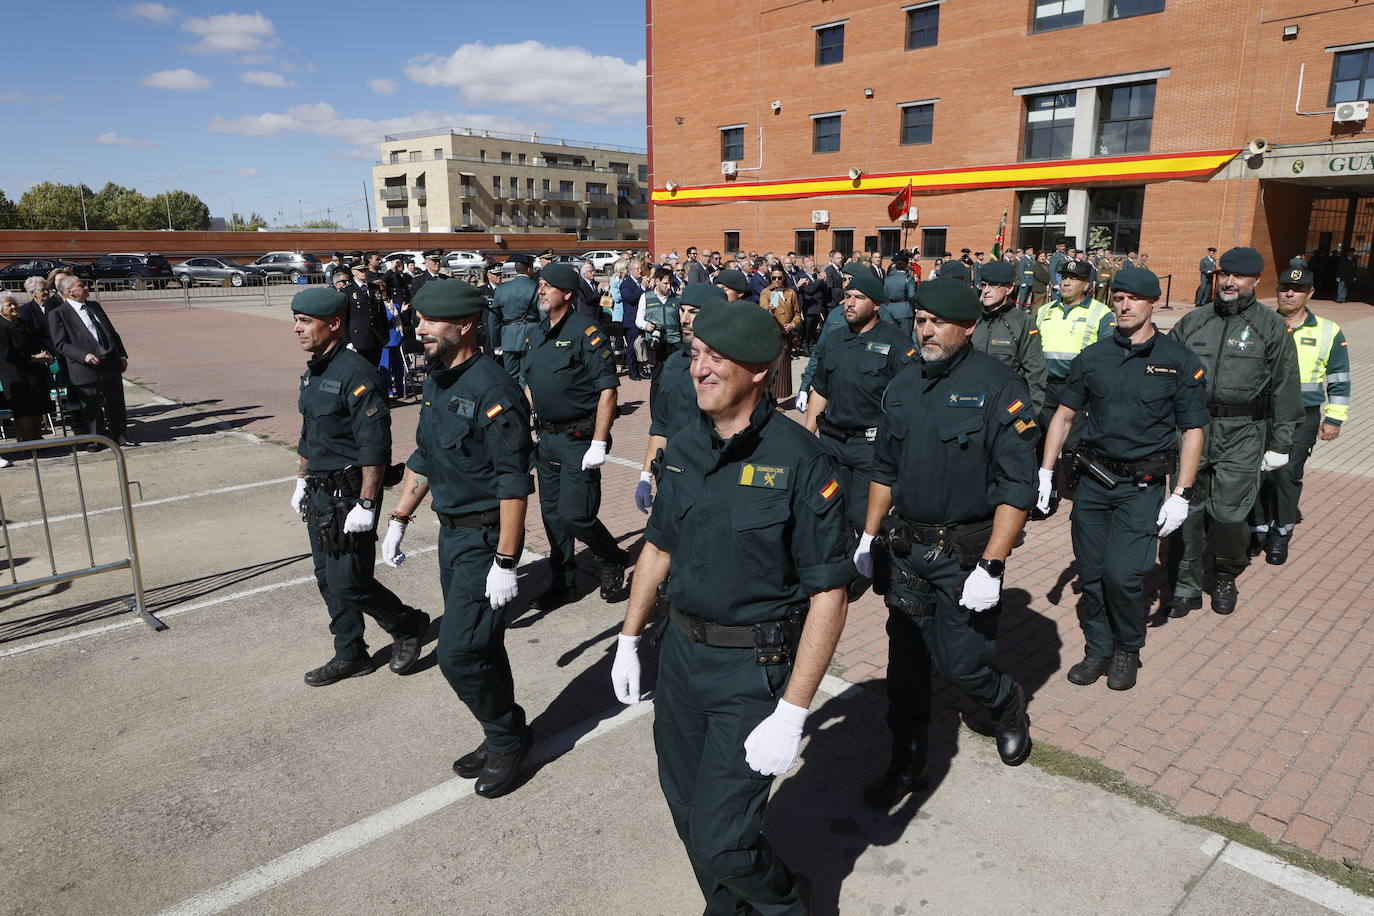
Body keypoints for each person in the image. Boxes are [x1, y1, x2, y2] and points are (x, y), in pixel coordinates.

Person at [610, 301, 851, 914]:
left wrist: (795, 711)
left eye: (717, 359)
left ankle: (786, 904)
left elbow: (829, 592)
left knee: (724, 840)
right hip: (682, 657)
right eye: (696, 355)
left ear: (759, 371)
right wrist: (629, 639)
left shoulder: (801, 461)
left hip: (754, 669)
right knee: (688, 810)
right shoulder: (686, 446)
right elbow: (658, 546)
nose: (700, 369)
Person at [854, 277, 1038, 808]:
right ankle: (907, 763)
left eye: (938, 322)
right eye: (920, 319)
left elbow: (1017, 485)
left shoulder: (999, 385)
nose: (926, 329)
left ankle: (1005, 705)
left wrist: (993, 565)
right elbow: (883, 469)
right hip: (908, 550)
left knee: (961, 664)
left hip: (965, 555)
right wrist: (868, 536)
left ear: (970, 327)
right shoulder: (903, 384)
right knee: (906, 666)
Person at [379, 280, 534, 798]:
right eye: (418, 319)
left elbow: (515, 483)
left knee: (459, 654)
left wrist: (507, 560)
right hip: (451, 536)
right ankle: (504, 731)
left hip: (486, 539)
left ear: (464, 326)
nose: (417, 328)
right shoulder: (439, 380)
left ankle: (508, 739)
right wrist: (399, 516)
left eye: (430, 322)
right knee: (482, 644)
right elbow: (425, 455)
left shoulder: (494, 391)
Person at [1037, 266, 1207, 690]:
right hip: (1093, 482)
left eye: (1134, 298)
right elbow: (1064, 414)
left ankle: (1128, 648)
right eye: (1118, 298)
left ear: (1152, 304)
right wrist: (1044, 472)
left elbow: (1192, 430)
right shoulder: (1094, 356)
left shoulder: (1177, 361)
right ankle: (1099, 648)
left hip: (1143, 487)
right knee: (1092, 576)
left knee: (1124, 575)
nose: (1124, 305)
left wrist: (1182, 493)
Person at [287, 286, 428, 687]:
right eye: (295, 321)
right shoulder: (314, 370)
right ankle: (350, 653)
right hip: (318, 492)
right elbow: (308, 433)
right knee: (326, 577)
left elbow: (374, 447)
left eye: (305, 322)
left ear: (333, 324)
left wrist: (367, 503)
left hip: (349, 495)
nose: (297, 329)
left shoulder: (357, 373)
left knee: (350, 580)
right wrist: (300, 480)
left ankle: (407, 624)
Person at [1166, 247, 1303, 617]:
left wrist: (1281, 442)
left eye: (1239, 276)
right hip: (1194, 430)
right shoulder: (1194, 322)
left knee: (1228, 515)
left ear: (1256, 281)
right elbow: (1165, 372)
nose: (1229, 282)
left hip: (1244, 432)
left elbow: (1286, 387)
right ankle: (1185, 585)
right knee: (1188, 511)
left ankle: (1226, 574)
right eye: (1224, 274)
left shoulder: (1271, 326)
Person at [523, 262, 630, 609]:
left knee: (576, 515)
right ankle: (564, 582)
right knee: (552, 516)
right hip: (548, 439)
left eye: (547, 286)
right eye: (540, 284)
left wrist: (599, 442)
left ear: (566, 294)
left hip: (579, 438)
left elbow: (608, 390)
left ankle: (611, 557)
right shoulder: (536, 333)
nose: (540, 290)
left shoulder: (586, 332)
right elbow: (531, 385)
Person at [1247, 258, 1351, 565]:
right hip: (1261, 413)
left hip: (1301, 416)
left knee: (1286, 475)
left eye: (1298, 289)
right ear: (1277, 290)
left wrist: (1334, 418)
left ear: (1310, 293)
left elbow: (1339, 379)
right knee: (1257, 474)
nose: (1290, 294)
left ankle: (1281, 534)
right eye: (1285, 288)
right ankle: (1257, 529)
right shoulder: (1259, 323)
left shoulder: (1328, 331)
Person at [804, 272, 915, 546]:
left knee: (862, 515)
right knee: (831, 510)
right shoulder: (834, 339)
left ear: (877, 305)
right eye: (847, 296)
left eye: (859, 298)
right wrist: (808, 436)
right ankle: (845, 574)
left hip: (870, 447)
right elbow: (821, 388)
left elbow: (911, 396)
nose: (849, 303)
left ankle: (873, 563)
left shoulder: (896, 342)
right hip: (832, 442)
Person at [1034, 258, 1115, 514]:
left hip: (1079, 389)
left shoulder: (1101, 313)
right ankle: (1046, 495)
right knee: (1042, 441)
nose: (1066, 282)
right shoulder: (1045, 310)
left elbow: (1106, 355)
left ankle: (1081, 494)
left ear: (1087, 285)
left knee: (1072, 446)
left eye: (1074, 279)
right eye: (1063, 277)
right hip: (1046, 386)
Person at [635, 283, 721, 514]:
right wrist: (645, 476)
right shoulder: (673, 363)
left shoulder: (730, 366)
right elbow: (661, 425)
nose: (683, 319)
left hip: (710, 482)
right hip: (671, 478)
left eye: (693, 312)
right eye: (682, 310)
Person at [47, 274, 133, 449]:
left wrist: (122, 355)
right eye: (81, 285)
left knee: (116, 403)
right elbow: (60, 344)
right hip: (85, 367)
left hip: (109, 362)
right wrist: (83, 355)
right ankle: (95, 440)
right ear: (70, 291)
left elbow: (111, 332)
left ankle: (120, 437)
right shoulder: (59, 314)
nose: (86, 287)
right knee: (92, 407)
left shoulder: (94, 306)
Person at [972, 259, 1048, 415]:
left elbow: (1035, 372)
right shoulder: (972, 319)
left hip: (1005, 408)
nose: (986, 291)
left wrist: (1032, 413)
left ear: (1009, 288)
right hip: (971, 405)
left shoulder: (1023, 323)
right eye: (984, 285)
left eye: (994, 285)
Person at [0, 293, 54, 449]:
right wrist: (34, 357)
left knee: (37, 405)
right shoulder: (2, 327)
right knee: (24, 409)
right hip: (16, 374)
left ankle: (37, 437)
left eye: (14, 304)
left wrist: (45, 354)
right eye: (8, 305)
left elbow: (36, 342)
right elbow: (7, 354)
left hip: (34, 373)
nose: (13, 307)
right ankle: (29, 441)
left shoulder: (24, 323)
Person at [492, 253, 541, 385]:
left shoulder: (501, 289)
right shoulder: (535, 287)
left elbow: (494, 320)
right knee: (527, 376)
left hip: (508, 336)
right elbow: (543, 316)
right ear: (529, 269)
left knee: (510, 376)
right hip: (530, 335)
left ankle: (514, 403)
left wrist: (496, 342)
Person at [761, 266, 800, 401]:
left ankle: (776, 398)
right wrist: (770, 310)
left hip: (786, 336)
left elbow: (797, 314)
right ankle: (767, 398)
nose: (776, 280)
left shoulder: (791, 293)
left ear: (784, 278)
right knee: (770, 368)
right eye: (774, 278)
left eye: (779, 278)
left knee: (782, 368)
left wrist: (792, 325)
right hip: (771, 336)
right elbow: (763, 309)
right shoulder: (766, 292)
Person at [638, 266, 681, 380]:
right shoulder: (645, 297)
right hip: (654, 344)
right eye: (665, 283)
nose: (669, 287)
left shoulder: (677, 299)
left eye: (671, 283)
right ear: (657, 281)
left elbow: (682, 320)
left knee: (674, 378)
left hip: (674, 343)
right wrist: (646, 325)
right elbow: (638, 320)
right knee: (657, 379)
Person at [343, 262, 389, 366]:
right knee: (361, 370)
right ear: (353, 272)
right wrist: (348, 341)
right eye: (360, 270)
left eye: (365, 270)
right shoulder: (347, 291)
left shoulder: (375, 288)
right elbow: (345, 318)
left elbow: (382, 313)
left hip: (376, 337)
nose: (364, 273)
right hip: (358, 339)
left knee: (375, 368)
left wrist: (385, 335)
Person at [619, 258, 647, 381]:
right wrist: (642, 288)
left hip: (643, 320)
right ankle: (632, 372)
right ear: (631, 271)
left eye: (641, 268)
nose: (640, 271)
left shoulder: (642, 282)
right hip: (631, 321)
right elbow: (630, 298)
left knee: (641, 347)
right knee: (632, 348)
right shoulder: (626, 284)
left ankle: (641, 370)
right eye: (637, 269)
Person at [882, 255, 917, 340]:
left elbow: (884, 296)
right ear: (905, 266)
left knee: (890, 337)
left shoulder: (887, 279)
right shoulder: (909, 279)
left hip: (889, 309)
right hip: (905, 310)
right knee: (905, 338)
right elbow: (911, 295)